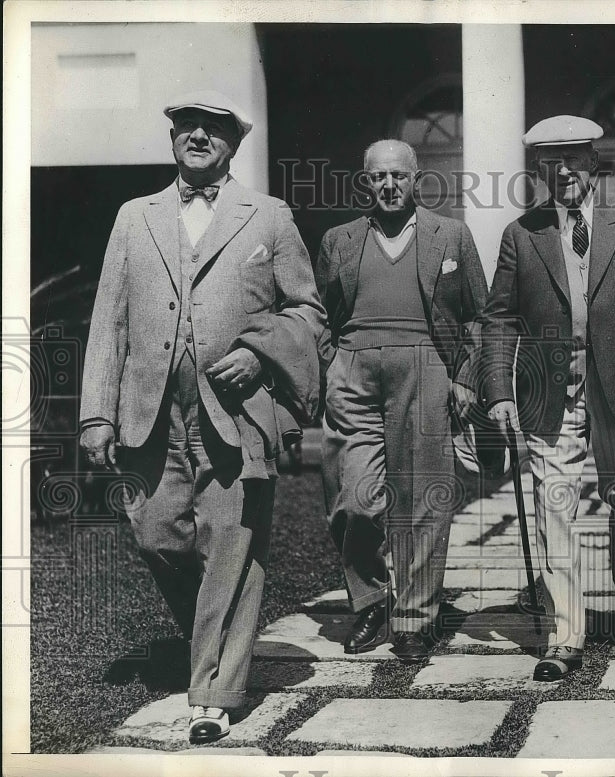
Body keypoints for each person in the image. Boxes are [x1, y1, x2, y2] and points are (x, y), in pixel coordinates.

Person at [79, 91, 324, 743]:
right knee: (157, 532)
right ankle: (208, 641)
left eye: (213, 128)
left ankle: (214, 691)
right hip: (149, 414)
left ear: (233, 144)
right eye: (186, 124)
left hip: (237, 411)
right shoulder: (135, 217)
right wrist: (95, 416)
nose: (197, 134)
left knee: (231, 547)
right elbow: (110, 321)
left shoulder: (268, 217)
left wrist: (256, 351)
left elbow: (307, 311)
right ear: (171, 138)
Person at [481, 116, 615, 681]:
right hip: (552, 392)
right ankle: (565, 633)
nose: (564, 171)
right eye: (551, 162)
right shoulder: (522, 234)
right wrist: (498, 389)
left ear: (595, 163)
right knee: (556, 508)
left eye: (574, 158)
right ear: (540, 171)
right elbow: (498, 320)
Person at [315, 139, 489, 663]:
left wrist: (465, 376)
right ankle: (370, 597)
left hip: (426, 365)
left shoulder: (450, 234)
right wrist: (330, 366)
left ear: (417, 179)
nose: (388, 186)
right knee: (355, 498)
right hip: (354, 368)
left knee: (422, 501)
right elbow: (317, 312)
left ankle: (414, 618)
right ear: (365, 182)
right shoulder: (339, 240)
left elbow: (479, 315)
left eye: (399, 176)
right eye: (377, 177)